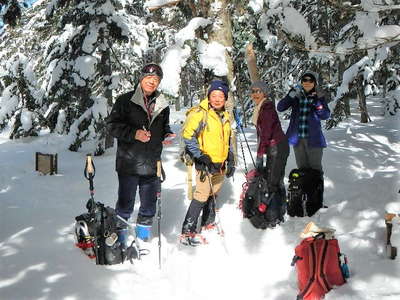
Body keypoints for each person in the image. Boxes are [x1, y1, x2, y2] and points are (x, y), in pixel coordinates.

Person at [107, 62, 176, 242]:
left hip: (152, 164)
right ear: (141, 79)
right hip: (128, 163)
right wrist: (134, 133)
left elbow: (164, 126)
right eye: (148, 78)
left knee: (148, 206)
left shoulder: (162, 105)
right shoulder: (125, 100)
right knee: (125, 205)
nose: (152, 82)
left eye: (156, 79)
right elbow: (112, 127)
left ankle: (143, 238)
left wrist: (166, 134)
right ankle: (120, 239)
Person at [180, 79, 235, 246]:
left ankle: (208, 221)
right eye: (214, 95)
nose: (217, 99)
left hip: (220, 163)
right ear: (209, 97)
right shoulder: (200, 113)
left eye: (221, 96)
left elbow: (226, 140)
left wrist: (230, 158)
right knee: (201, 195)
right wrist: (200, 155)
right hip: (205, 163)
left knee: (214, 192)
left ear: (225, 99)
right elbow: (188, 136)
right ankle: (187, 231)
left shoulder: (224, 115)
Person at [277, 71, 330, 173]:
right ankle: (303, 189)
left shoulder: (318, 96)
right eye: (304, 80)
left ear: (315, 83)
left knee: (316, 169)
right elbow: (280, 107)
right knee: (302, 169)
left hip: (314, 139)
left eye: (310, 80)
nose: (307, 82)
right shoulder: (296, 96)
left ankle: (316, 189)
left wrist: (318, 102)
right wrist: (291, 95)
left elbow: (325, 115)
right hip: (298, 140)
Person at [250, 81, 289, 199]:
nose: (255, 94)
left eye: (258, 91)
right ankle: (279, 207)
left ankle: (272, 211)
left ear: (264, 93)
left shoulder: (266, 108)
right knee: (275, 178)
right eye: (253, 91)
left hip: (277, 147)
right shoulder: (261, 107)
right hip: (276, 147)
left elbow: (266, 133)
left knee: (272, 181)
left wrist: (260, 154)